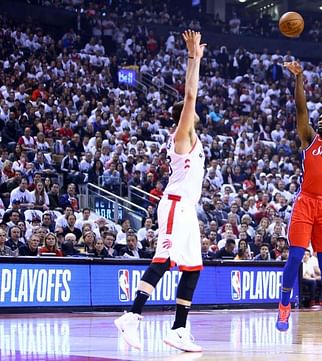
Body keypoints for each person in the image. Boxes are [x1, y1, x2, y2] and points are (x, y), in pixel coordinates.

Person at [114, 30, 206, 353]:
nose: (195, 111)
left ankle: (179, 329)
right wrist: (193, 59)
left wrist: (198, 60)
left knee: (193, 267)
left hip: (188, 209)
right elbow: (191, 95)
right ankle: (132, 316)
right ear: (184, 115)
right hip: (176, 205)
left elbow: (193, 98)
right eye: (190, 110)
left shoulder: (192, 138)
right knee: (164, 260)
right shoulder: (183, 133)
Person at [276, 62, 322, 342]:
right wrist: (299, 79)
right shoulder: (309, 139)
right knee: (295, 256)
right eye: (318, 120)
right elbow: (300, 111)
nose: (319, 121)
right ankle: (284, 306)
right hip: (306, 203)